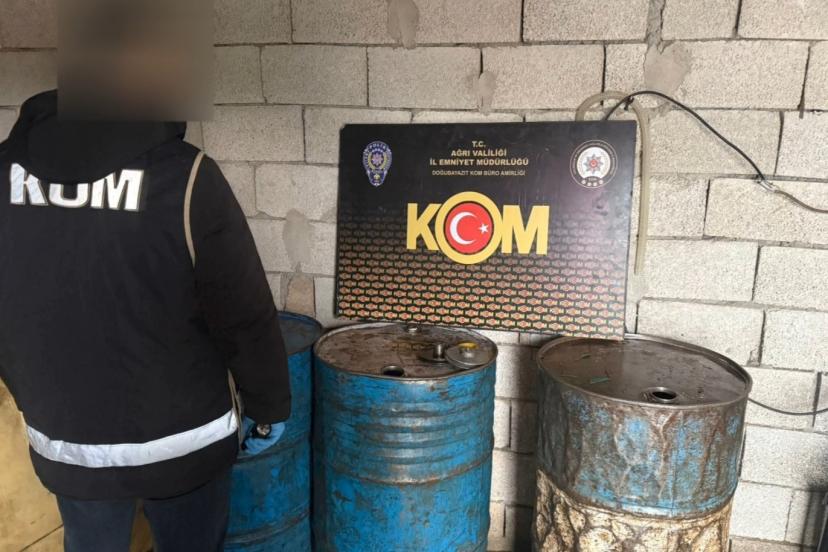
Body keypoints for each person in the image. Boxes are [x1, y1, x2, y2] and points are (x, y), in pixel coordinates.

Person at [0, 87, 290, 551]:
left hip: (70, 444)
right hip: (184, 443)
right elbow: (242, 310)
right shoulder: (186, 176)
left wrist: (29, 395)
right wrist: (269, 404)